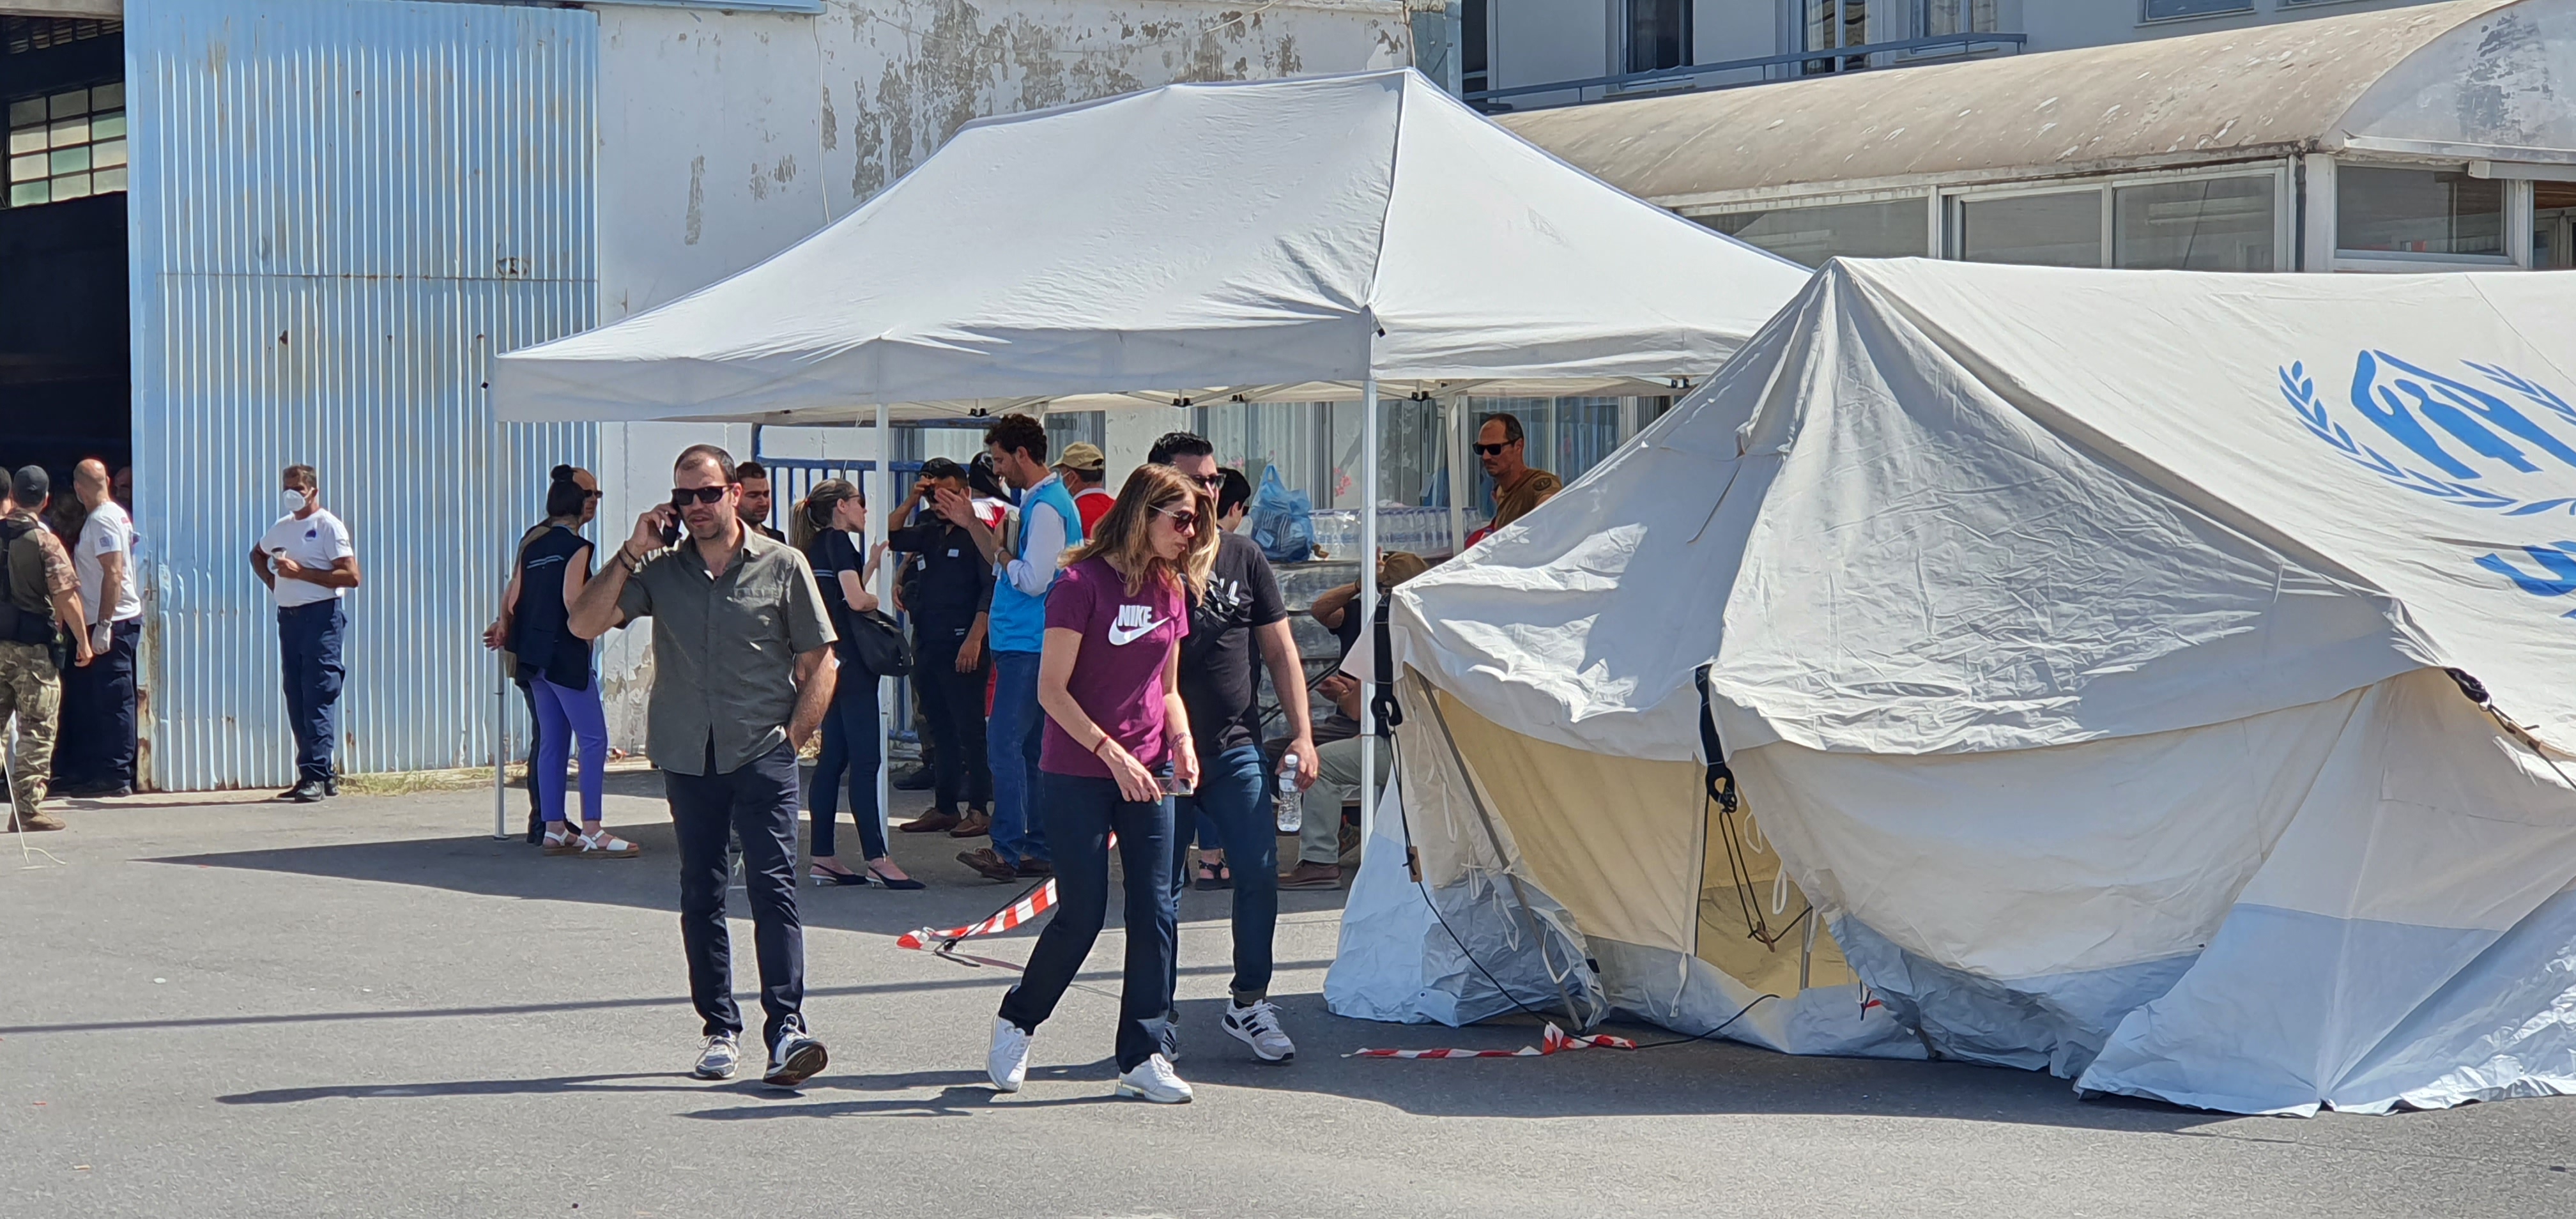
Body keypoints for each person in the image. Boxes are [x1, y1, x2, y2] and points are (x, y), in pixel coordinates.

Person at [567, 443, 835, 1088]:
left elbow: (823, 660)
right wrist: (632, 550)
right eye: (684, 497)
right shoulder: (662, 570)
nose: (696, 508)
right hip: (690, 754)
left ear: (735, 493)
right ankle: (719, 1028)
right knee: (701, 892)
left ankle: (786, 1030)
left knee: (774, 889)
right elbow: (584, 623)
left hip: (761, 750)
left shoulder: (783, 563)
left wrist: (791, 740)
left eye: (708, 494)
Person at [986, 462, 1213, 1103]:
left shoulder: (1171, 588)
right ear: (1144, 516)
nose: (1190, 533)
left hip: (1150, 769)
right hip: (1080, 769)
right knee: (1082, 915)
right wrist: (1112, 754)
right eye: (1181, 519)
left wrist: (1184, 745)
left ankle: (1142, 1054)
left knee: (1156, 910)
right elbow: (1050, 691)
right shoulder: (1079, 584)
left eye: (1196, 521)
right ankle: (1018, 1019)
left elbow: (1166, 688)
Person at [1150, 432, 1317, 1064]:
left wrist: (1301, 734)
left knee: (1258, 869)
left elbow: (1279, 650)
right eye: (1197, 480)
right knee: (1160, 889)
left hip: (1235, 743)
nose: (1210, 491)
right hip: (1159, 752)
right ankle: (1156, 1015)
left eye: (1216, 480)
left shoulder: (1245, 556)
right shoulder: (1148, 561)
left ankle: (1249, 1000)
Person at [950, 414, 1084, 883]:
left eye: (1002, 459)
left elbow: (1032, 579)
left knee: (1005, 744)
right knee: (1030, 749)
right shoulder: (1038, 502)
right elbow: (1010, 565)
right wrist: (974, 527)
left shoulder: (1046, 507)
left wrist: (1005, 555)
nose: (998, 468)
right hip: (1027, 641)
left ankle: (1008, 848)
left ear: (1022, 455)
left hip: (1030, 642)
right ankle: (1036, 846)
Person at [484, 466, 634, 858]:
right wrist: (592, 631)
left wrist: (505, 627)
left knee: (552, 740)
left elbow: (514, 597)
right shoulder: (578, 548)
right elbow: (574, 601)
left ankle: (553, 826)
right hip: (564, 651)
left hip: (530, 654)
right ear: (580, 505)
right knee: (594, 739)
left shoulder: (532, 545)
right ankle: (594, 828)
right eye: (592, 497)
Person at [795, 478, 921, 889]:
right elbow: (854, 599)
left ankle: (824, 855)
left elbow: (834, 596)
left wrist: (868, 566)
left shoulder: (814, 547)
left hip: (828, 664)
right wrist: (874, 599)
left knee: (833, 759)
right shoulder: (839, 542)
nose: (865, 511)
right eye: (860, 503)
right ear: (843, 507)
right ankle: (878, 858)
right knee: (867, 761)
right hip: (853, 667)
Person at [1285, 551, 1430, 890]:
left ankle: (1320, 859)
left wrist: (1343, 696)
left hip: (1399, 741)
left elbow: (1362, 708)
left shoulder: (1386, 625)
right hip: (1422, 740)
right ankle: (1346, 833)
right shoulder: (1429, 623)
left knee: (1316, 765)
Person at [887, 457, 995, 839]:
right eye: (935, 494)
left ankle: (979, 809)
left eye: (948, 493)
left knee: (969, 730)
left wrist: (976, 637)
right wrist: (912, 500)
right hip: (929, 640)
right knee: (939, 729)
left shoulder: (977, 533)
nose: (940, 501)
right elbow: (894, 535)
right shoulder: (930, 528)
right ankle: (945, 806)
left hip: (964, 641)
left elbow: (991, 586)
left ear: (965, 492)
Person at [250, 464, 362, 803]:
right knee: (297, 695)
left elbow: (351, 576)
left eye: (298, 487)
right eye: (287, 487)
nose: (292, 493)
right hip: (290, 619)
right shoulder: (282, 528)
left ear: (313, 490)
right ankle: (319, 773)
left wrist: (301, 574)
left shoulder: (328, 526)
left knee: (318, 692)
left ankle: (315, 773)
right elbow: (257, 554)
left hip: (321, 618)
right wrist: (274, 582)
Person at [1, 466, 94, 832]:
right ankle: (26, 809)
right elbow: (66, 595)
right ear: (45, 500)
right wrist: (83, 641)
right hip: (32, 651)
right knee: (37, 727)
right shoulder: (44, 541)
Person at [56, 459, 142, 798]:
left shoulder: (104, 519)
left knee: (115, 701)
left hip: (114, 622)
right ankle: (105, 769)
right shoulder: (114, 514)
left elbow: (114, 572)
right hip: (111, 620)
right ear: (106, 480)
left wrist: (104, 625)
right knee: (104, 700)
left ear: (78, 489)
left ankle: (116, 774)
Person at [1478, 411, 1562, 533]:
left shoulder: (1538, 483)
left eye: (1494, 449)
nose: (1485, 456)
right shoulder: (1502, 491)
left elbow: (1551, 510)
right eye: (1480, 449)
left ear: (1518, 446)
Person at [1056, 441, 1115, 535]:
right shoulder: (1118, 508)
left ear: (1072, 477)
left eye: (1063, 474)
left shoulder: (1070, 513)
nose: (1061, 478)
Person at [735, 460, 785, 542]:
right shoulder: (718, 540)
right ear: (735, 497)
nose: (764, 503)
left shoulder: (777, 538)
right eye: (754, 496)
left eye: (766, 495)